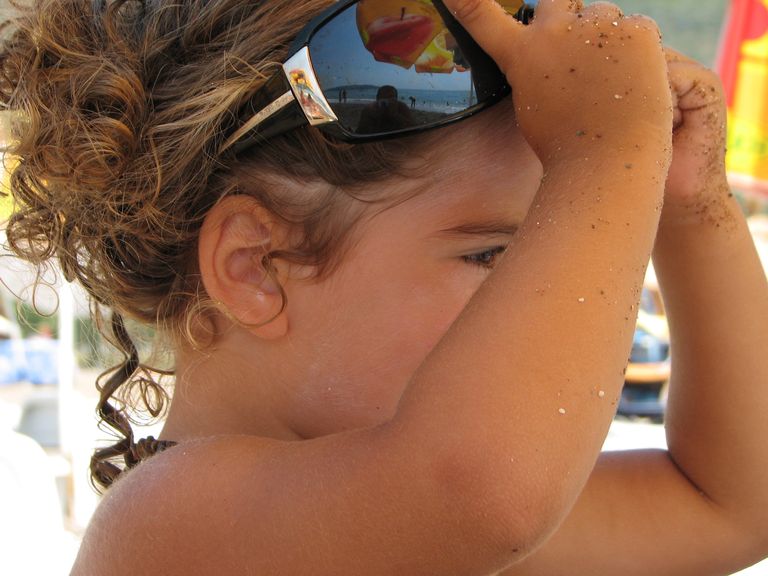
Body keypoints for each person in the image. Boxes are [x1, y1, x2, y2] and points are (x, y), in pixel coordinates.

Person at [1, 0, 767, 574]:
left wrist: (691, 204)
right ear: (256, 267)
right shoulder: (170, 527)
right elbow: (483, 494)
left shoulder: (424, 517)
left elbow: (735, 503)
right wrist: (606, 155)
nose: (572, 301)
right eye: (494, 255)